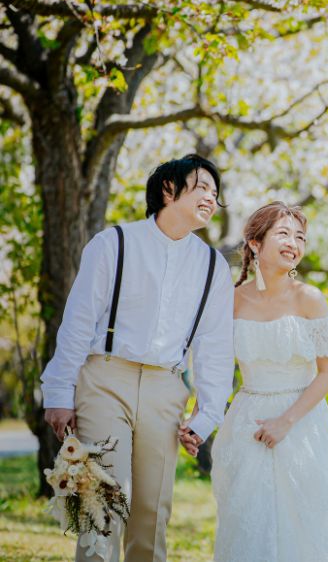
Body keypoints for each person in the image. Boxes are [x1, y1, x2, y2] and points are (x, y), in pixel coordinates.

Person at [40, 154, 235, 562]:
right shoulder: (114, 243)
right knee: (104, 501)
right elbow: (78, 322)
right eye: (201, 187)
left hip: (167, 388)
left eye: (215, 194)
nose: (210, 198)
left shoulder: (213, 266)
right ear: (168, 189)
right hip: (105, 378)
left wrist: (207, 416)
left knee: (153, 508)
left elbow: (215, 345)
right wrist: (58, 392)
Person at [211, 201, 328, 562]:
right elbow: (215, 365)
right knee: (249, 518)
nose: (293, 243)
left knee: (309, 520)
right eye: (282, 233)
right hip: (247, 418)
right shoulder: (231, 300)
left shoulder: (309, 299)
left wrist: (286, 421)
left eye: (300, 237)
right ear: (254, 243)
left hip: (302, 421)